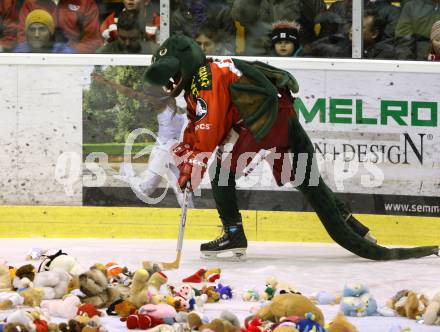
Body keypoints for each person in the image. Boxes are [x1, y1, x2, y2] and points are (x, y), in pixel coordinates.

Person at [143, 34, 439, 261]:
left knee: (221, 173)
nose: (169, 81)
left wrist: (190, 163)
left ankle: (233, 235)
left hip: (264, 122)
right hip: (280, 114)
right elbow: (200, 124)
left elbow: (209, 131)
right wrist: (187, 152)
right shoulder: (206, 74)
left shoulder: (206, 79)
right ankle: (356, 229)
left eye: (171, 73)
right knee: (308, 180)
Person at [91, 72, 194, 208]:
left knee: (182, 188)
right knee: (145, 189)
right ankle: (126, 171)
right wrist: (107, 82)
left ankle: (192, 215)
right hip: (164, 150)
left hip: (176, 150)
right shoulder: (161, 104)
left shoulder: (171, 100)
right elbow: (129, 92)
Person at [18, 0, 102, 53]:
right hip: (39, 61)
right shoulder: (31, 2)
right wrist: (42, 54)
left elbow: (93, 40)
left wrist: (72, 51)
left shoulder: (85, 3)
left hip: (74, 64)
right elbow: (23, 37)